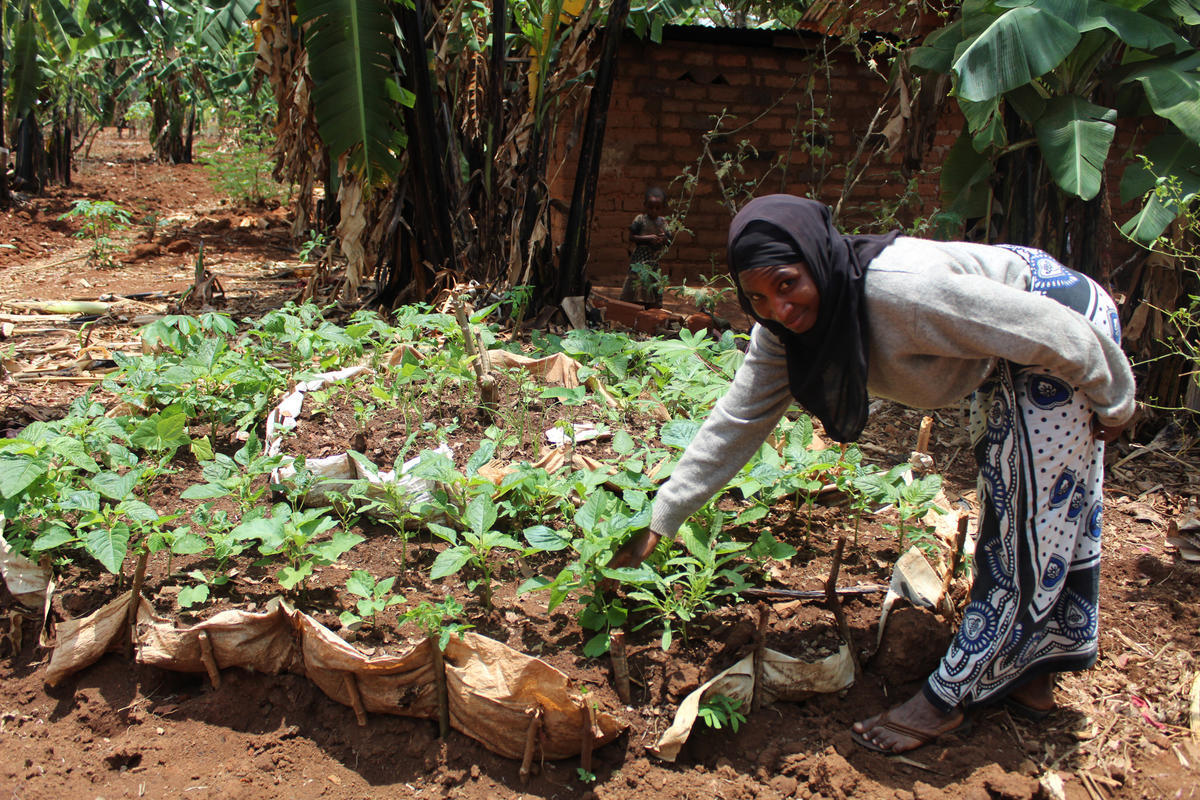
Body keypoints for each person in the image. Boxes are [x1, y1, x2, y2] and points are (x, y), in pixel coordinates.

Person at [607, 194, 1135, 753]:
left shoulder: (900, 293)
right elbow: (735, 423)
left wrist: (1116, 400)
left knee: (1029, 526)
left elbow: (1050, 328)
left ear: (816, 258)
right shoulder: (784, 336)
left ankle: (946, 700)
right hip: (1000, 350)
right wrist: (661, 520)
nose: (779, 309)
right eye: (757, 298)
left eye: (787, 284)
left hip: (1064, 330)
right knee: (1012, 496)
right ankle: (1031, 682)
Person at [620, 186, 672, 307]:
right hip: (639, 259)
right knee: (635, 281)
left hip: (654, 260)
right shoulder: (640, 220)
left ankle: (652, 307)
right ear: (645, 205)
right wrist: (648, 238)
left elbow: (669, 241)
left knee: (653, 282)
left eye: (657, 208)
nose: (653, 210)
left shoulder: (663, 222)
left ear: (663, 208)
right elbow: (632, 237)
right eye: (650, 207)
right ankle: (631, 305)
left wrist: (663, 238)